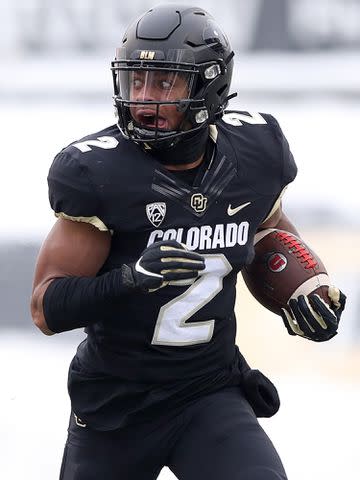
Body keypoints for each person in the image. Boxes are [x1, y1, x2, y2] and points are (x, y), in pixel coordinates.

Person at [30, 4, 346, 480]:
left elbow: (267, 232)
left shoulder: (254, 154)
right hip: (117, 406)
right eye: (136, 81)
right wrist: (131, 281)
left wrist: (305, 294)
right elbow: (45, 309)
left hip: (208, 391)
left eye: (163, 83)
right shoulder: (97, 173)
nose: (143, 100)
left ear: (207, 87)